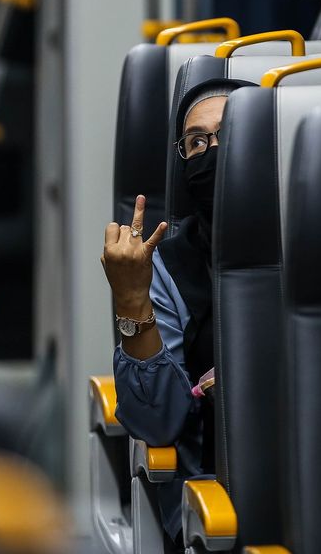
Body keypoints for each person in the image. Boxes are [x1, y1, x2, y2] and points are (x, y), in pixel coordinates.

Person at [102, 79, 248, 545]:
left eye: (233, 134)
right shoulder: (169, 263)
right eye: (197, 142)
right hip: (211, 502)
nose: (213, 151)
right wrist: (131, 298)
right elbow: (156, 421)